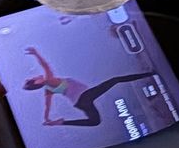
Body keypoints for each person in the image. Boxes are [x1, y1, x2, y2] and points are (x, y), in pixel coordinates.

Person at [21, 46, 155, 128]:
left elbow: (47, 106)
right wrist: (35, 53)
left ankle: (61, 123)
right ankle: (150, 73)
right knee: (115, 80)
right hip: (84, 97)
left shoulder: (48, 90)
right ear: (37, 83)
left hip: (80, 103)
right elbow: (45, 65)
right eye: (32, 79)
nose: (33, 76)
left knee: (95, 122)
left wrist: (47, 119)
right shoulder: (49, 81)